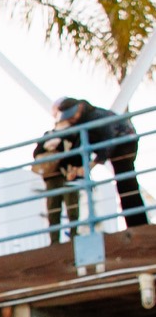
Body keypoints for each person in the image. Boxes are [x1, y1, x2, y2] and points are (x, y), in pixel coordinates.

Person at [51, 96, 148, 229]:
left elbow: (109, 138)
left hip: (124, 144)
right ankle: (136, 223)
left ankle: (138, 224)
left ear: (79, 108)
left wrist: (93, 164)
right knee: (124, 185)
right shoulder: (83, 121)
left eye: (72, 115)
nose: (72, 119)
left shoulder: (96, 116)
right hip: (116, 146)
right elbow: (81, 144)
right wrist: (76, 167)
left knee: (126, 184)